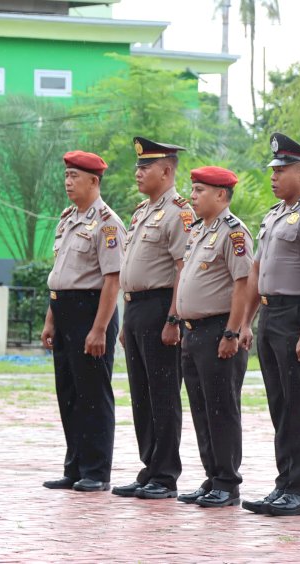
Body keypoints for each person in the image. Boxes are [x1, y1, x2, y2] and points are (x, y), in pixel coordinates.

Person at [239, 133, 300, 517]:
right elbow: (256, 272)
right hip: (269, 313)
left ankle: (299, 490)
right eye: (273, 170)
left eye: (282, 170)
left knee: (296, 402)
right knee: (279, 403)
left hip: (295, 314)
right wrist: (246, 322)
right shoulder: (274, 215)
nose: (274, 176)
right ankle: (283, 484)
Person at [112, 137, 194, 500]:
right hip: (136, 308)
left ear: (166, 170)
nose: (138, 172)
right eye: (138, 166)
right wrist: (127, 318)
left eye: (146, 167)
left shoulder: (179, 212)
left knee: (163, 394)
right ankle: (150, 465)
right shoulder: (141, 211)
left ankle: (165, 472)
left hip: (162, 306)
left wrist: (174, 318)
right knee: (141, 394)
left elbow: (183, 269)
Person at [41, 151, 125, 492]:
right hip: (64, 310)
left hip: (91, 311)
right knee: (70, 393)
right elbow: (59, 275)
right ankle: (74, 466)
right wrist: (50, 319)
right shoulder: (67, 219)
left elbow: (112, 280)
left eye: (75, 176)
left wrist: (99, 328)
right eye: (66, 176)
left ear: (94, 181)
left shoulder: (107, 223)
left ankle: (96, 471)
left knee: (93, 394)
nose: (68, 182)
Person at [175, 166, 253, 507]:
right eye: (193, 190)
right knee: (201, 409)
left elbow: (243, 285)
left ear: (221, 195)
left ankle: (227, 482)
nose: (192, 196)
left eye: (199, 190)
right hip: (192, 332)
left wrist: (232, 332)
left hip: (218, 331)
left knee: (222, 409)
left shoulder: (233, 233)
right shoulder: (198, 230)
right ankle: (212, 476)